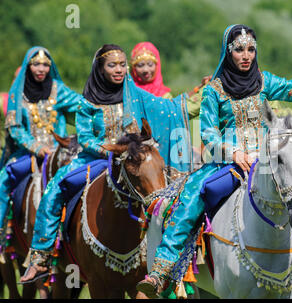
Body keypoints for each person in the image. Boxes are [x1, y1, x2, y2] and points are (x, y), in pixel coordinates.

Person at [136, 24, 292, 298]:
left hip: (267, 162)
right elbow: (208, 133)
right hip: (228, 164)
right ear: (228, 52)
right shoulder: (214, 90)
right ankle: (159, 273)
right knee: (192, 197)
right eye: (239, 50)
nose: (245, 55)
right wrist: (233, 152)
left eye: (250, 49)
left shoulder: (265, 81)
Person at [19, 44, 195, 283]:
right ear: (100, 68)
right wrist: (105, 150)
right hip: (96, 159)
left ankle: (174, 259)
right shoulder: (88, 101)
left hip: (132, 159)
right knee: (55, 187)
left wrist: (198, 94)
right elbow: (84, 136)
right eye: (112, 65)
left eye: (123, 65)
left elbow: (166, 108)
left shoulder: (135, 93)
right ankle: (42, 257)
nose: (119, 69)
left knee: (166, 189)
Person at [0, 47, 82, 255]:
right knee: (2, 180)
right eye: (36, 64)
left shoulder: (58, 89)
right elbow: (15, 128)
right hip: (27, 155)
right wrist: (37, 148)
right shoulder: (16, 95)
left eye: (46, 64)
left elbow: (83, 105)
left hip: (60, 153)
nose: (42, 69)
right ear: (28, 66)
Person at [130, 41, 211, 166]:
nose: (146, 70)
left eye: (150, 64)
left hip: (167, 151)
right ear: (133, 68)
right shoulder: (128, 93)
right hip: (135, 153)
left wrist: (204, 89)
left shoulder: (164, 95)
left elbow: (177, 107)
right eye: (140, 65)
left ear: (157, 66)